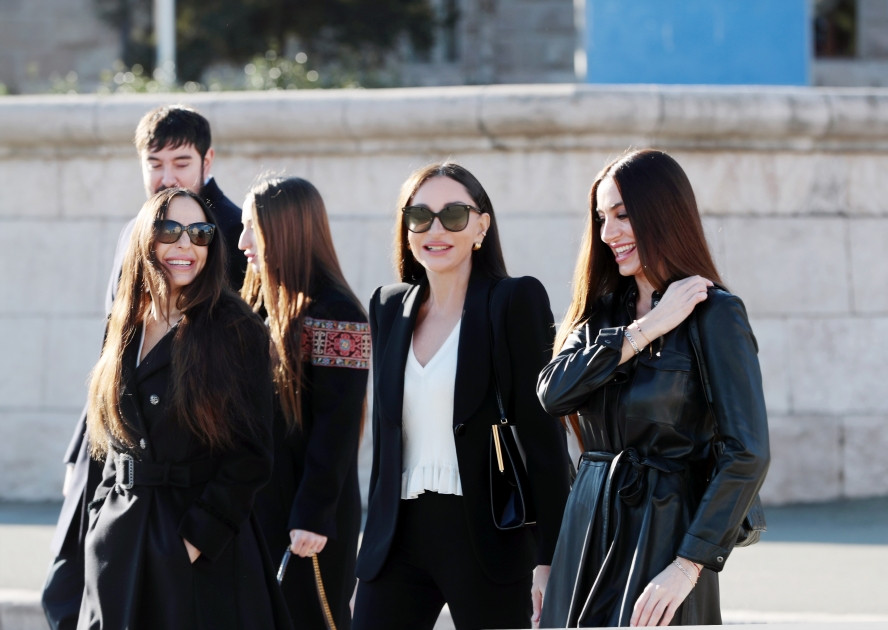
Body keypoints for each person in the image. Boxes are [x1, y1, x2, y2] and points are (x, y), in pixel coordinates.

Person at [537, 149, 770, 627]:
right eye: (601, 218)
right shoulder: (600, 315)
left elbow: (747, 452)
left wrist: (688, 566)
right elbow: (553, 394)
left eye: (622, 215)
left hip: (665, 535)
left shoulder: (716, 314)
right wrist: (645, 330)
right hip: (586, 528)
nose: (608, 233)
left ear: (663, 212)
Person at [43, 104, 246, 630]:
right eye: (155, 163)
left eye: (181, 162)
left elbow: (241, 399)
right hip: (117, 460)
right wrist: (85, 453)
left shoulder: (232, 231)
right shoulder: (135, 230)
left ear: (207, 161)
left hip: (186, 484)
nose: (167, 176)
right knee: (65, 591)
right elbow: (113, 353)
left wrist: (196, 536)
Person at [352, 162, 571, 630]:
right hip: (397, 539)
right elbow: (386, 442)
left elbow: (544, 441)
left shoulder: (514, 300)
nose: (436, 229)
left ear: (481, 226)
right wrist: (369, 548)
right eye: (420, 216)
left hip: (487, 537)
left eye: (453, 215)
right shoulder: (388, 306)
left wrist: (549, 558)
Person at [76, 188, 290, 630]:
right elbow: (109, 441)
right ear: (146, 238)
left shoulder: (236, 328)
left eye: (200, 233)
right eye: (170, 230)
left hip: (197, 551)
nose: (185, 245)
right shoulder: (123, 322)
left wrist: (194, 541)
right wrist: (98, 519)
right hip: (119, 538)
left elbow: (252, 456)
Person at [238, 176, 370, 630]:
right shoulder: (258, 307)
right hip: (257, 510)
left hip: (307, 521)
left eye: (252, 228)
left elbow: (337, 428)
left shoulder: (337, 313)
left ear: (286, 229)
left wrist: (313, 515)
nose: (242, 242)